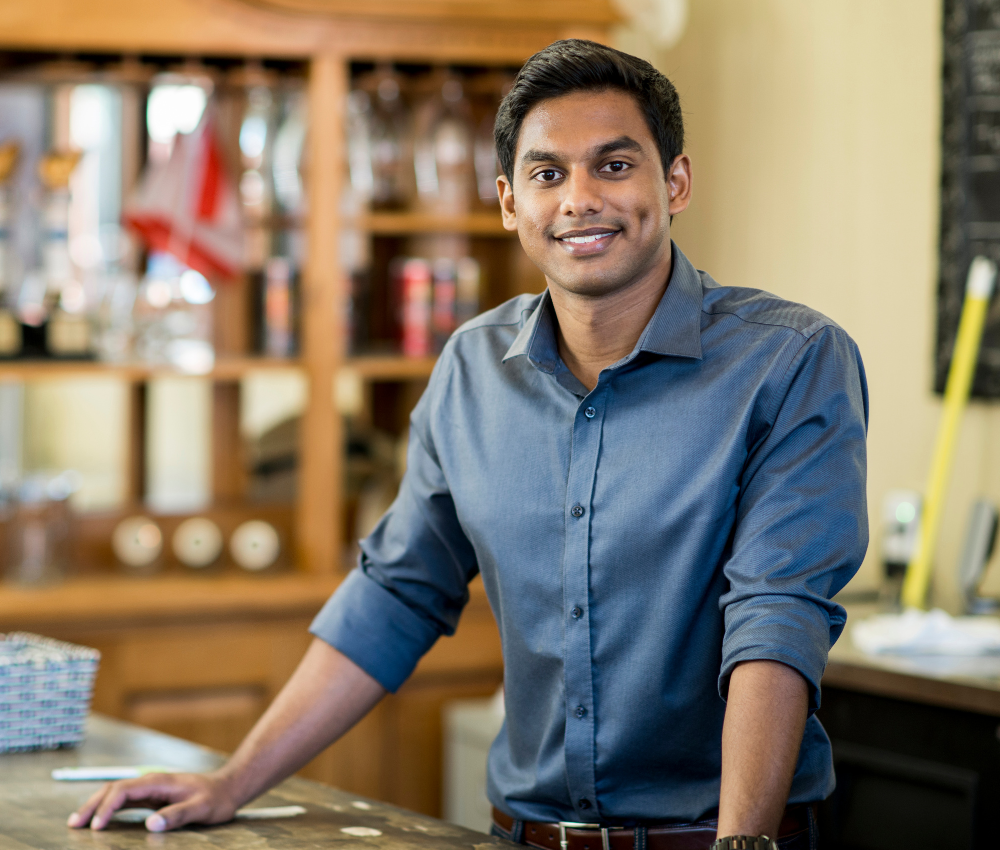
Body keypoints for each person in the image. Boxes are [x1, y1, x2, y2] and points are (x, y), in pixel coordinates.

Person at [69, 40, 868, 850]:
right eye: (548, 173)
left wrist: (740, 842)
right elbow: (397, 593)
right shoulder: (472, 368)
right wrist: (230, 781)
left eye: (615, 165)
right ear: (509, 202)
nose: (579, 199)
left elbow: (775, 617)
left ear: (676, 182)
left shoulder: (791, 362)